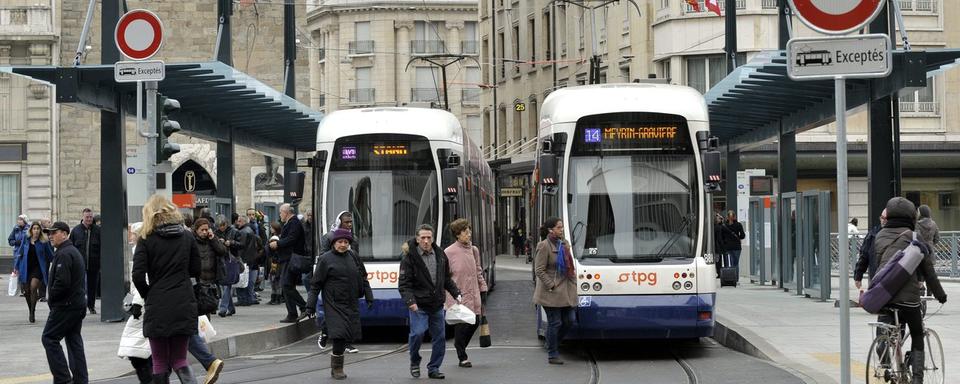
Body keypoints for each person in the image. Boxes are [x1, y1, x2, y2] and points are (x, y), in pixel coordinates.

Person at [873, 197, 947, 384]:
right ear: (911, 216)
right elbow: (928, 273)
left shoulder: (880, 236)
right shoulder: (914, 237)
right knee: (916, 333)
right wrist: (940, 295)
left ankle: (885, 357)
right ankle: (917, 379)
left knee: (888, 326)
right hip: (908, 298)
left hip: (884, 296)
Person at [132, 195, 201, 383]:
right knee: (180, 359)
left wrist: (148, 294)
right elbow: (196, 270)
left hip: (158, 303)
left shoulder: (146, 239)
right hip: (183, 301)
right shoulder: (187, 236)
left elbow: (137, 275)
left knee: (160, 360)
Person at [304, 229, 374, 380]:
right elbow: (315, 285)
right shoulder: (326, 259)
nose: (343, 245)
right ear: (333, 243)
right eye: (340, 242)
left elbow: (363, 277)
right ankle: (337, 368)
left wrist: (369, 295)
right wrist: (310, 306)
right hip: (334, 303)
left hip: (351, 302)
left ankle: (327, 335)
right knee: (339, 335)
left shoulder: (353, 256)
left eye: (346, 242)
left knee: (348, 334)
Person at [398, 224, 462, 379]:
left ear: (432, 239)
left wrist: (456, 293)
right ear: (417, 238)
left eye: (429, 238)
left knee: (440, 337)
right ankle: (415, 361)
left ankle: (434, 368)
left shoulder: (440, 254)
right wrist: (410, 301)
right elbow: (404, 285)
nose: (426, 241)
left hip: (437, 305)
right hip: (418, 305)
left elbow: (446, 278)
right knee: (417, 334)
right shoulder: (409, 258)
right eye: (423, 238)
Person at [41, 221, 88, 384]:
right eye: (49, 233)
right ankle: (80, 380)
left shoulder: (65, 253)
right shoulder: (69, 251)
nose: (50, 236)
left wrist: (52, 298)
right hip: (76, 304)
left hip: (66, 306)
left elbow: (62, 283)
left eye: (54, 233)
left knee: (49, 338)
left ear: (64, 234)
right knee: (73, 340)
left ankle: (63, 379)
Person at [309, 211, 360, 353]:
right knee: (335, 314)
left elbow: (356, 259)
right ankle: (326, 332)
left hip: (348, 281)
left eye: (351, 222)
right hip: (331, 281)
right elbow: (322, 257)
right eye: (346, 222)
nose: (349, 225)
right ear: (339, 223)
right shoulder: (328, 237)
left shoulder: (353, 238)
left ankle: (347, 343)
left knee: (348, 313)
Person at [444, 219, 488, 368]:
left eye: (469, 230)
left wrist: (483, 288)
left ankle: (460, 345)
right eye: (465, 231)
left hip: (474, 293)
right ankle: (462, 356)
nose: (468, 233)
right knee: (461, 325)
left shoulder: (474, 250)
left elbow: (478, 271)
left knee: (474, 321)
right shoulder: (449, 252)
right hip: (457, 296)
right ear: (457, 234)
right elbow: (445, 276)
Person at [533, 217, 577, 365]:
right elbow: (539, 270)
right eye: (559, 227)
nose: (561, 229)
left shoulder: (564, 244)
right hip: (550, 292)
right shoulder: (543, 246)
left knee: (570, 320)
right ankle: (553, 354)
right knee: (555, 322)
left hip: (566, 290)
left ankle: (552, 342)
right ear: (551, 230)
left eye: (562, 227)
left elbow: (569, 265)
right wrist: (551, 285)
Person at [119, 222, 153, 384]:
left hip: (143, 308)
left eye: (133, 234)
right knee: (143, 349)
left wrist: (138, 304)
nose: (130, 237)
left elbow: (142, 280)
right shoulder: (138, 251)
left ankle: (149, 380)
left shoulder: (141, 252)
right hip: (144, 305)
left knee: (137, 350)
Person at [271, 203, 308, 322]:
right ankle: (292, 314)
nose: (280, 215)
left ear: (287, 212)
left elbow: (292, 239)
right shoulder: (290, 223)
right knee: (286, 285)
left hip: (291, 258)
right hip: (287, 258)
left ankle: (304, 307)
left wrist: (278, 243)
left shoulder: (294, 223)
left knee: (286, 284)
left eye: (281, 212)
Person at [15, 221, 52, 323]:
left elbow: (50, 255)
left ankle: (32, 313)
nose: (36, 231)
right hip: (26, 268)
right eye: (34, 229)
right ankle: (31, 309)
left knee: (33, 287)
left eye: (38, 229)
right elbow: (20, 253)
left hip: (38, 268)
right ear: (31, 230)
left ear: (40, 230)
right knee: (27, 291)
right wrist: (16, 266)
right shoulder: (26, 239)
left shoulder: (44, 242)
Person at [69, 208, 101, 315]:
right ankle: (80, 305)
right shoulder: (76, 231)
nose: (89, 219)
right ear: (83, 217)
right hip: (79, 264)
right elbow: (70, 247)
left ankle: (91, 306)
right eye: (87, 217)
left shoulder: (98, 231)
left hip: (94, 264)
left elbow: (102, 247)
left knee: (92, 287)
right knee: (79, 286)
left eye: (91, 217)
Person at [855, 209, 886, 289]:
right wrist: (858, 275)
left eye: (886, 218)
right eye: (882, 218)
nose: (883, 221)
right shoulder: (873, 234)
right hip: (876, 277)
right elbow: (864, 255)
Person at [235, 215, 261, 306]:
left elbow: (241, 246)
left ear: (243, 222)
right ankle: (248, 298)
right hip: (251, 258)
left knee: (242, 280)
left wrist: (232, 243)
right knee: (248, 280)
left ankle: (243, 299)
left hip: (244, 258)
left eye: (239, 221)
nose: (237, 223)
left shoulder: (243, 232)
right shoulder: (250, 230)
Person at [266, 221, 284, 305]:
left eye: (271, 228)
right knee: (274, 279)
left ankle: (277, 298)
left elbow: (274, 251)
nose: (270, 229)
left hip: (276, 261)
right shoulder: (274, 237)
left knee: (276, 280)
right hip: (274, 261)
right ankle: (274, 297)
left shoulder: (275, 238)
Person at [713, 213, 727, 277]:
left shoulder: (714, 226)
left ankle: (719, 272)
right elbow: (719, 238)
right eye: (719, 219)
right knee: (718, 261)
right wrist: (723, 246)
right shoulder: (718, 227)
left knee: (717, 260)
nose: (721, 219)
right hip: (718, 246)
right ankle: (719, 273)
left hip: (715, 246)